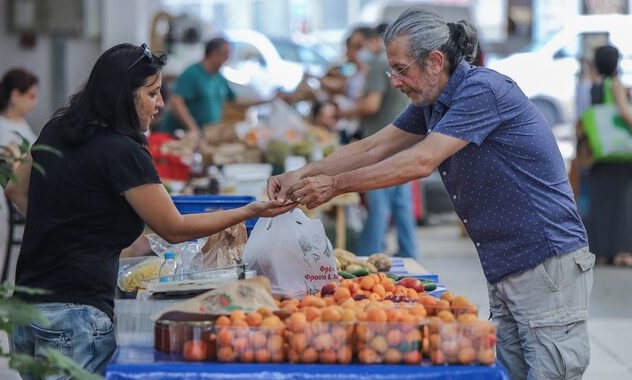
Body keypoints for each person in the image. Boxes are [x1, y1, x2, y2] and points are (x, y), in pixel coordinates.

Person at [268, 8, 593, 379]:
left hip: (544, 263)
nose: (394, 81)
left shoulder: (481, 91)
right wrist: (301, 173)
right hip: (507, 264)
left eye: (401, 69)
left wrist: (335, 185)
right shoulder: (433, 103)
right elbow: (373, 147)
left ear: (435, 61)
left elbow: (421, 161)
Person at [5, 43, 296, 376]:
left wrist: (60, 227)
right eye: (152, 93)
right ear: (123, 96)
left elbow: (15, 186)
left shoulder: (57, 129)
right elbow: (174, 228)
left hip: (27, 308)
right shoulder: (122, 151)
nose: (160, 104)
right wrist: (251, 210)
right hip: (74, 315)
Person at [341, 24, 418, 260]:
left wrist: (342, 113)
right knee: (401, 205)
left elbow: (371, 105)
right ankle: (408, 254)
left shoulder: (378, 64)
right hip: (402, 143)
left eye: (357, 46)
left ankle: (369, 255)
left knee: (379, 205)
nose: (353, 52)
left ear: (373, 41)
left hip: (382, 144)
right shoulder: (394, 63)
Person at [161, 37, 270, 136]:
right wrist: (193, 129)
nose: (228, 58)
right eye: (225, 54)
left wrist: (269, 100)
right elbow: (176, 102)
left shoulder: (219, 78)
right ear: (214, 54)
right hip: (182, 136)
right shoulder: (192, 74)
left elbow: (237, 101)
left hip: (206, 135)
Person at [584, 45, 632, 266]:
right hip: (620, 152)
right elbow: (623, 111)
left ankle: (602, 250)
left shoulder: (594, 86)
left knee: (602, 202)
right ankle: (623, 251)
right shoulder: (615, 85)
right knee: (623, 202)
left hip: (599, 151)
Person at [0, 68, 39, 282]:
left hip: (15, 196)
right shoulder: (1, 128)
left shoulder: (19, 124)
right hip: (1, 202)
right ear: (15, 95)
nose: (35, 101)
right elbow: (15, 167)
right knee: (2, 262)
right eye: (31, 95)